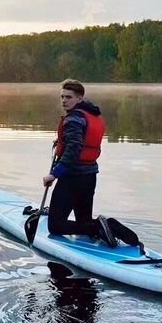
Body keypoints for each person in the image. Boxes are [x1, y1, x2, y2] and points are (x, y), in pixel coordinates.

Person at [42, 79, 121, 247]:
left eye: (69, 97)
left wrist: (54, 174)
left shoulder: (73, 119)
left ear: (79, 98)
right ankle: (96, 227)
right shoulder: (91, 115)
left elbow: (73, 150)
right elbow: (80, 141)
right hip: (90, 176)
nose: (64, 101)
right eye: (62, 97)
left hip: (72, 178)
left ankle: (97, 227)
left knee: (55, 226)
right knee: (83, 221)